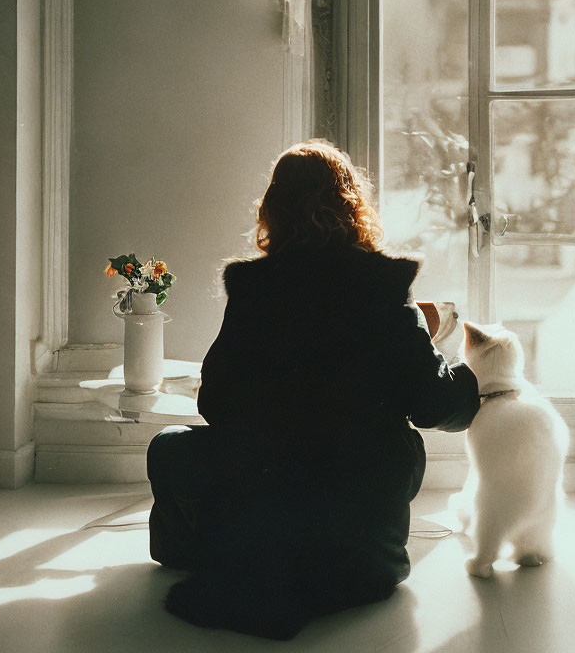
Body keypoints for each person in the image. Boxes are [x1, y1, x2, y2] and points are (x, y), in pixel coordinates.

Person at [146, 141, 480, 639]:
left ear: (272, 210)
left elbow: (213, 403)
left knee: (169, 447)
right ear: (352, 205)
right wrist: (466, 368)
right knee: (401, 446)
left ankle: (211, 548)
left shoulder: (254, 291)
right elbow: (438, 407)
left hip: (271, 497)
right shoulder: (385, 289)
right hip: (368, 556)